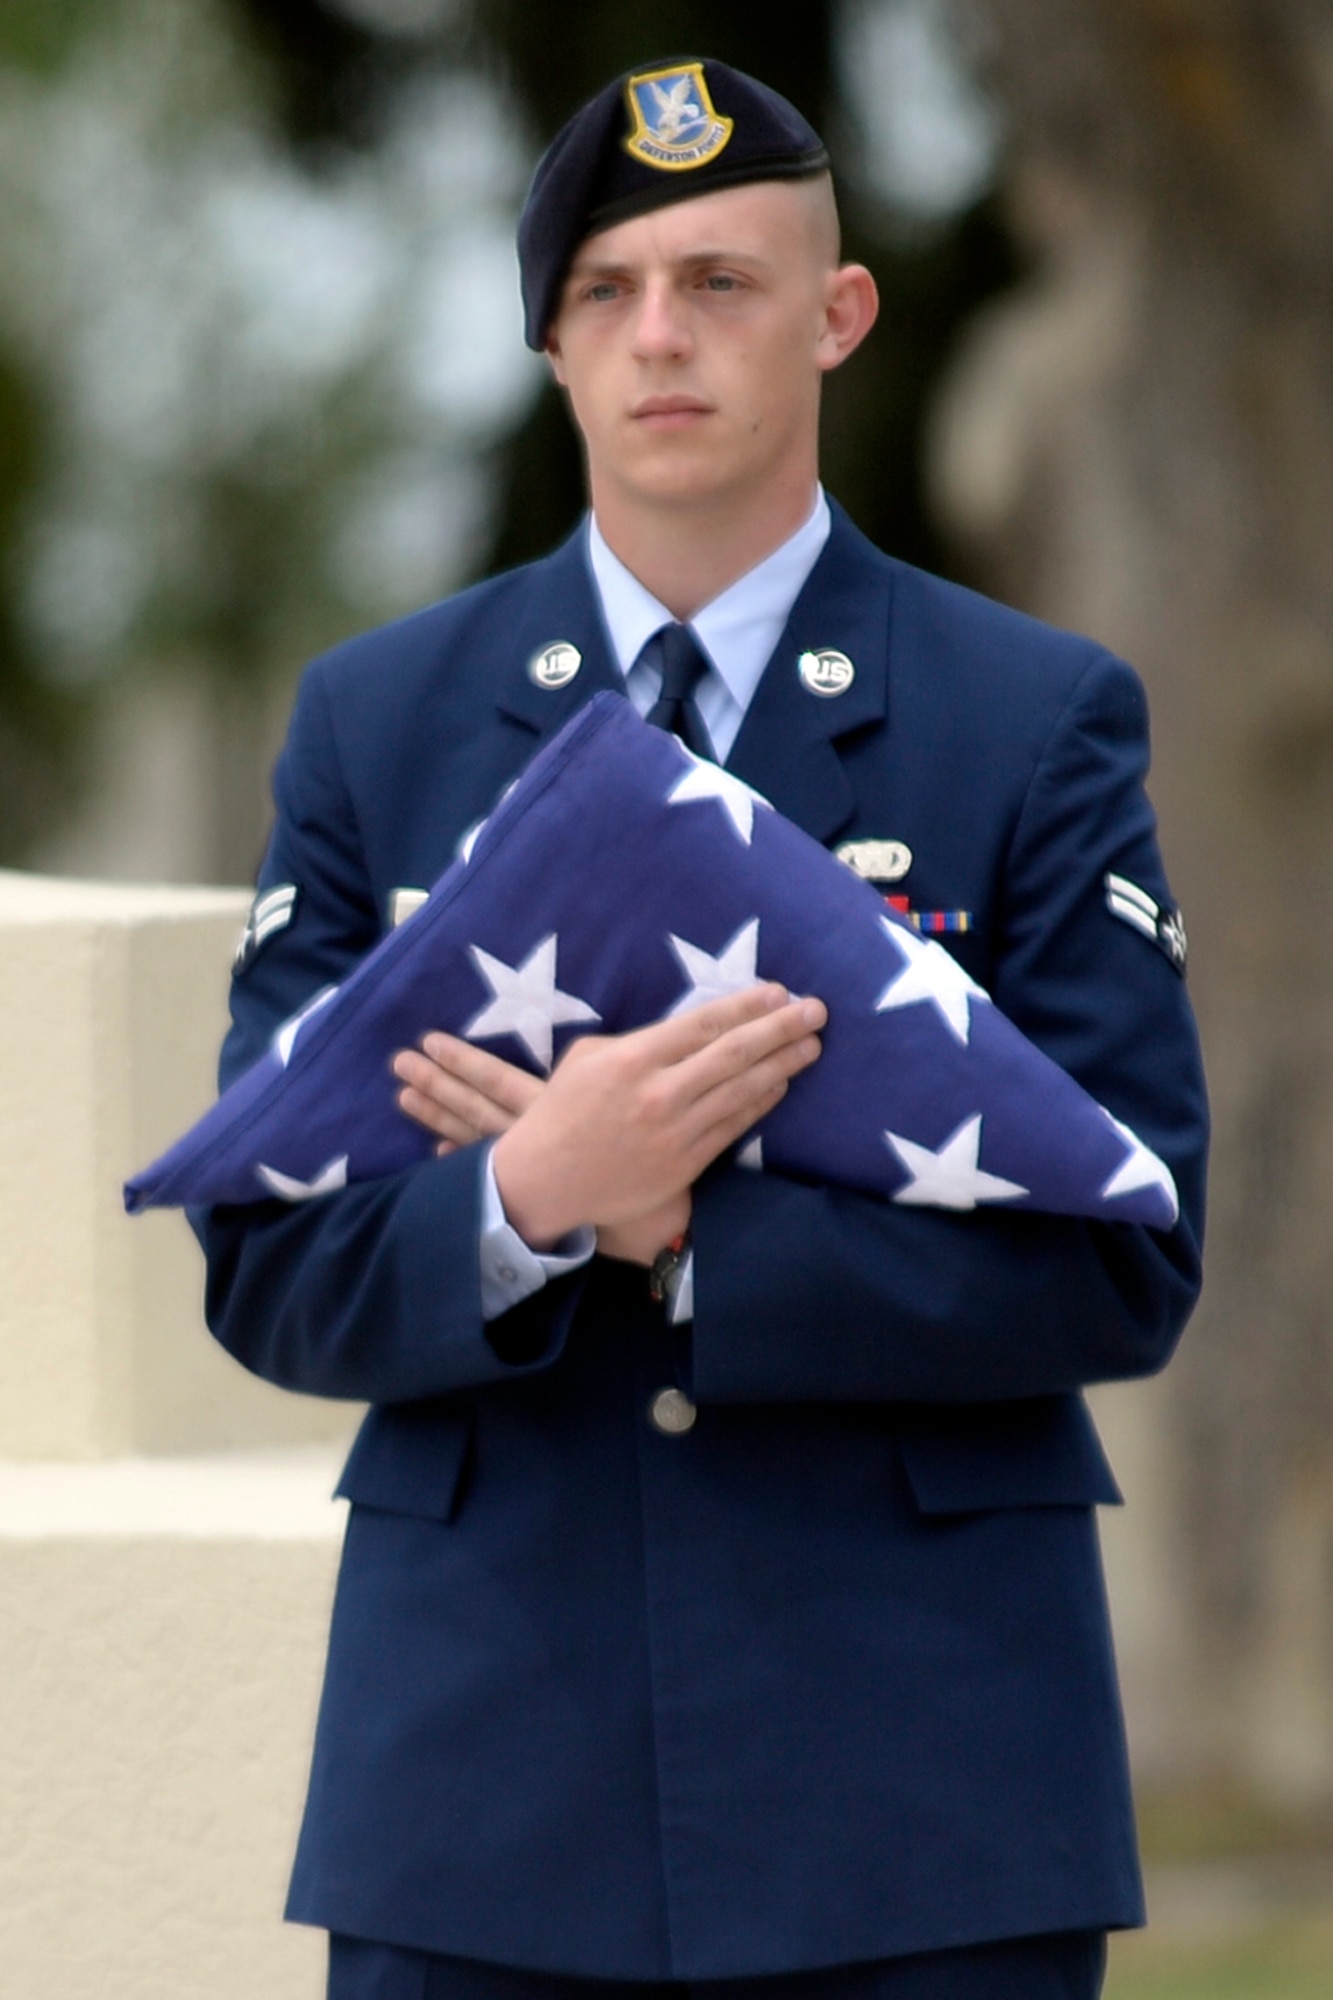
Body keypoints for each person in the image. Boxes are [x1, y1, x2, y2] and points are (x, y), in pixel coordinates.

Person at [196, 57, 1207, 2000]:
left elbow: (1130, 1244)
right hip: (487, 1794)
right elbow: (270, 1253)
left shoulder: (1029, 718)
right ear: (550, 346)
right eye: (606, 291)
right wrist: (527, 1193)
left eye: (721, 282)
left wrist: (687, 1230)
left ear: (838, 317)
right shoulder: (377, 725)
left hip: (917, 1795)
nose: (658, 334)